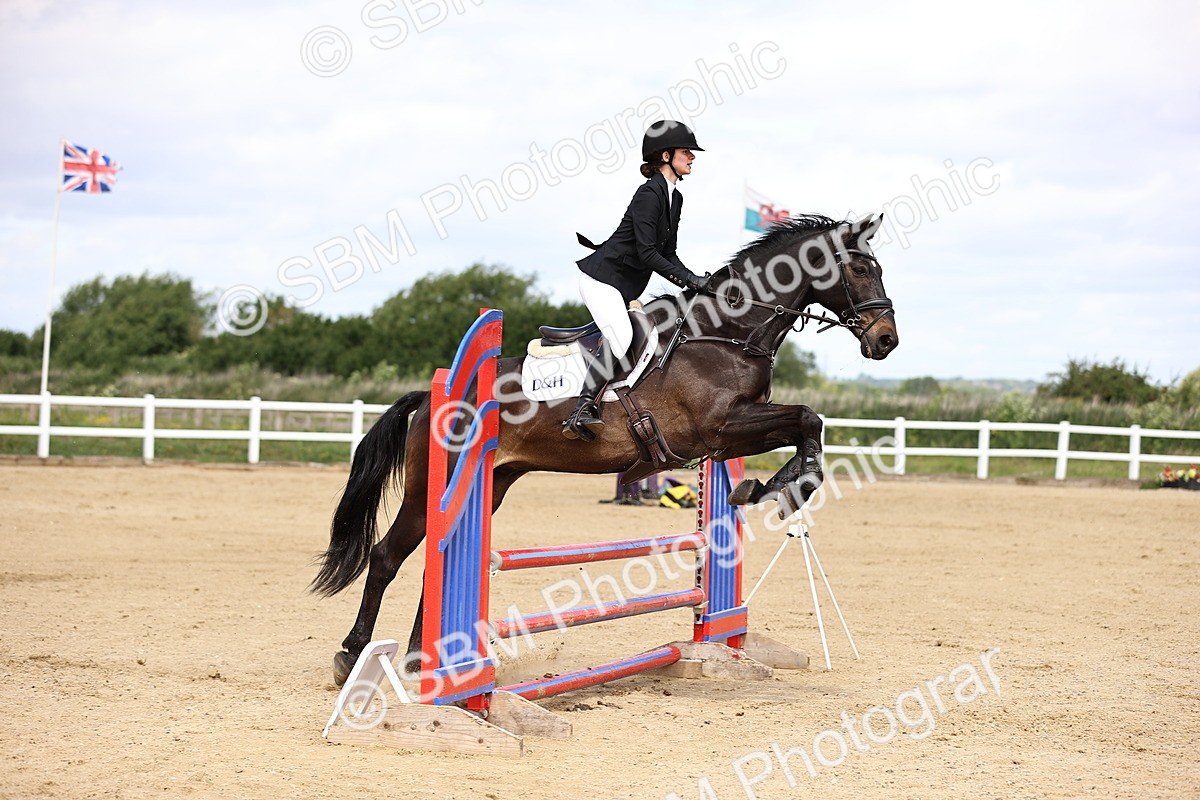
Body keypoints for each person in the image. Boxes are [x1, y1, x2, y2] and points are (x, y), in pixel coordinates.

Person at [562, 120, 715, 441]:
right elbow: (647, 253)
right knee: (621, 337)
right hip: (601, 280)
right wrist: (688, 279)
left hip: (622, 287)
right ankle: (582, 408)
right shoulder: (649, 194)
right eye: (687, 152)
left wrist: (695, 281)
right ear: (665, 155)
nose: (692, 157)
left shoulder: (674, 198)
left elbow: (668, 253)